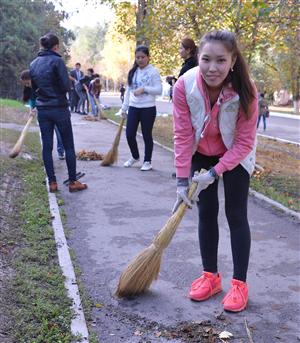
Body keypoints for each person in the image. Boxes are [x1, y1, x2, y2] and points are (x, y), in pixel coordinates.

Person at [172, 30, 258, 312]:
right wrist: (182, 182)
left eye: (221, 60)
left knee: (236, 215)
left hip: (235, 154)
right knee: (206, 213)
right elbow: (183, 136)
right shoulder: (185, 86)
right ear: (198, 57)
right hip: (201, 152)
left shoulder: (246, 90)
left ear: (233, 61)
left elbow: (244, 141)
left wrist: (216, 172)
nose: (212, 68)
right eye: (206, 59)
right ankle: (211, 277)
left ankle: (239, 285)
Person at [30, 33, 87, 193]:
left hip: (43, 110)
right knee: (68, 145)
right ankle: (73, 182)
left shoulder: (33, 64)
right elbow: (65, 87)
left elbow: (34, 90)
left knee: (47, 147)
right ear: (56, 46)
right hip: (59, 108)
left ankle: (52, 183)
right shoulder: (57, 61)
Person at [121, 45, 162, 171]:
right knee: (129, 134)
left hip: (148, 108)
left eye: (142, 57)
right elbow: (128, 91)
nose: (140, 60)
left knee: (146, 135)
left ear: (148, 57)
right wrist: (124, 108)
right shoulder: (133, 72)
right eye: (137, 57)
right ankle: (135, 156)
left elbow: (159, 90)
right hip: (134, 107)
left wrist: (144, 89)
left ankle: (147, 161)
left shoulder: (153, 71)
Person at [20, 70, 65, 160]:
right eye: (25, 84)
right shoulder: (29, 88)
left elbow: (45, 99)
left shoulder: (42, 85)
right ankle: (47, 155)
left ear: (31, 79)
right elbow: (32, 100)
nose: (27, 85)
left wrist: (37, 108)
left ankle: (60, 151)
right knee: (46, 134)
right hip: (42, 114)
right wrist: (31, 110)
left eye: (28, 83)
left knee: (59, 132)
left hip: (52, 110)